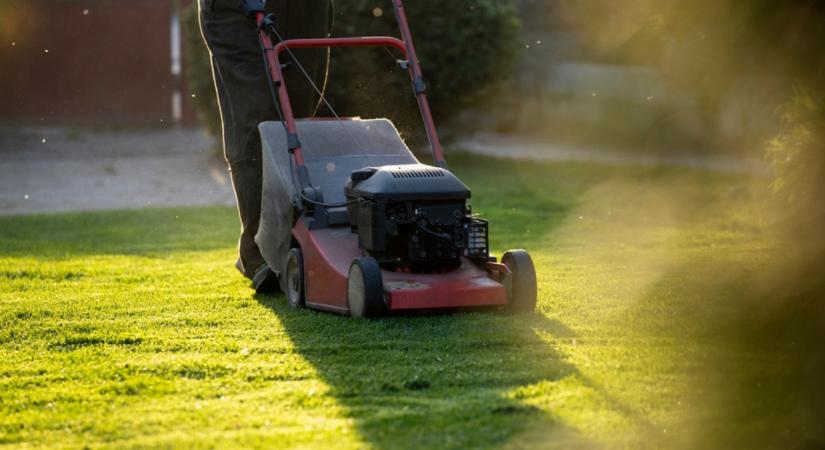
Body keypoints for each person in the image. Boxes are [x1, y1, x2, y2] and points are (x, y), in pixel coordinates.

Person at [198, 0, 330, 291]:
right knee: (256, 118)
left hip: (305, 9)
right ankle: (260, 251)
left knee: (300, 117)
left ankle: (299, 243)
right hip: (236, 8)